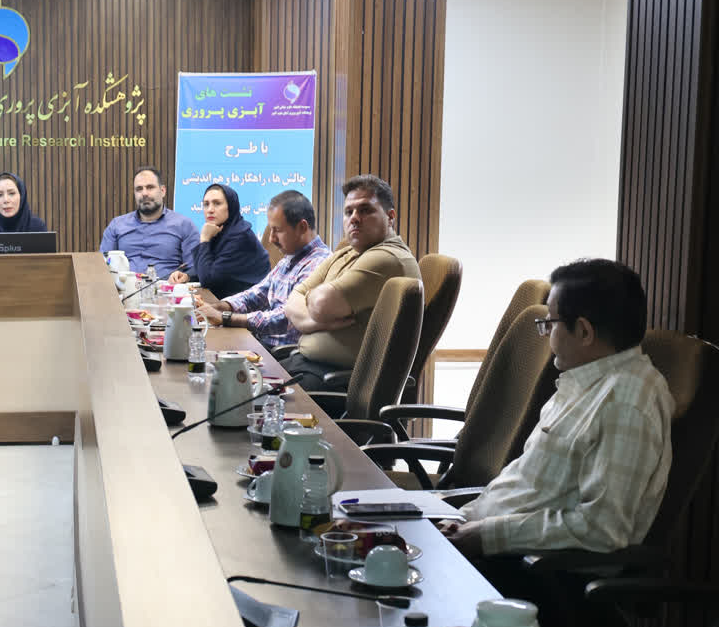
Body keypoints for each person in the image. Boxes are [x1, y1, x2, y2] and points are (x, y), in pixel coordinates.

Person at [442, 259, 673, 558]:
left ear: (584, 332)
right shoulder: (584, 383)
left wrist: (485, 535)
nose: (546, 334)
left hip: (524, 568)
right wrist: (460, 519)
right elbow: (523, 488)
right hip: (481, 538)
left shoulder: (625, 403)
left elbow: (602, 530)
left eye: (550, 324)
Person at [279, 174, 420, 389]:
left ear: (390, 217)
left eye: (365, 210)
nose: (354, 218)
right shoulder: (347, 252)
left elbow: (321, 304)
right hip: (309, 365)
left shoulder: (388, 258)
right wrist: (313, 322)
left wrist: (312, 299)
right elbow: (293, 298)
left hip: (339, 380)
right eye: (348, 212)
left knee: (247, 401)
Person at [194, 190, 331, 350]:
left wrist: (224, 317)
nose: (271, 239)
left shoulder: (318, 263)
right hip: (262, 345)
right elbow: (256, 295)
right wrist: (218, 307)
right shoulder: (289, 259)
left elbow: (286, 318)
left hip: (282, 357)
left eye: (277, 230)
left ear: (302, 227)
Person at [166, 183, 268, 299]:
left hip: (250, 304)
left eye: (217, 203)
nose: (210, 210)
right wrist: (187, 275)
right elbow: (211, 265)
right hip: (228, 300)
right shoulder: (220, 232)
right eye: (206, 204)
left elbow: (208, 280)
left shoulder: (241, 237)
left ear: (231, 206)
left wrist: (204, 240)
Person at [100, 166, 199, 274]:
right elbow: (102, 265)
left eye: (150, 187)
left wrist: (184, 276)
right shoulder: (117, 225)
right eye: (139, 189)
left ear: (163, 191)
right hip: (123, 284)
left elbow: (194, 269)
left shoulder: (184, 225)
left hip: (166, 284)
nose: (144, 193)